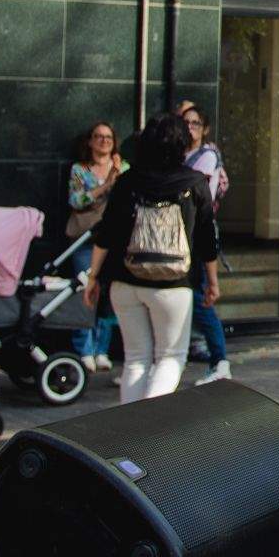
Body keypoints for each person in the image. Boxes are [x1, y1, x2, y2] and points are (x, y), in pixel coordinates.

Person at [81, 108, 220, 404]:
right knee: (170, 358)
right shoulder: (195, 183)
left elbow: (106, 233)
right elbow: (207, 239)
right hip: (174, 284)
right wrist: (212, 281)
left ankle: (129, 429)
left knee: (135, 359)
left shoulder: (128, 182)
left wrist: (93, 278)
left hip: (125, 281)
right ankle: (148, 427)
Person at [177, 101, 233, 383]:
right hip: (178, 236)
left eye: (195, 123)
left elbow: (193, 192)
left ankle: (220, 359)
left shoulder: (207, 155)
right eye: (185, 122)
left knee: (201, 298)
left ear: (205, 128)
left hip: (197, 234)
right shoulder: (179, 153)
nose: (190, 127)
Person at [65, 124, 122, 369]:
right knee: (85, 292)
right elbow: (76, 200)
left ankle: (102, 350)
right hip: (85, 240)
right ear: (89, 142)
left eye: (108, 137)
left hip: (114, 240)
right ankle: (84, 349)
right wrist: (106, 186)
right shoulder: (80, 170)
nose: (103, 141)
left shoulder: (123, 168)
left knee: (110, 296)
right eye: (98, 137)